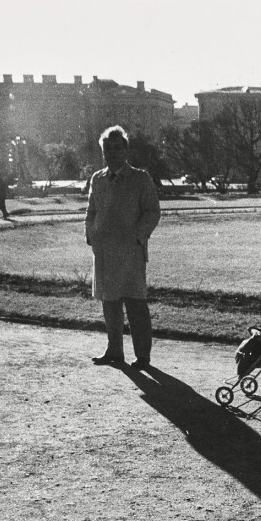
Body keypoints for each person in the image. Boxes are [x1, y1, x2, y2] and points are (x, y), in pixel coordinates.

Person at [84, 125, 161, 368]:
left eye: (117, 148)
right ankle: (114, 350)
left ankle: (143, 357)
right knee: (110, 303)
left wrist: (138, 237)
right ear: (103, 151)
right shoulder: (97, 179)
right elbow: (90, 213)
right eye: (108, 148)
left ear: (126, 149)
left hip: (130, 253)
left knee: (136, 304)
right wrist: (92, 238)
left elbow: (152, 212)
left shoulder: (140, 178)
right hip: (104, 252)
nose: (112, 153)